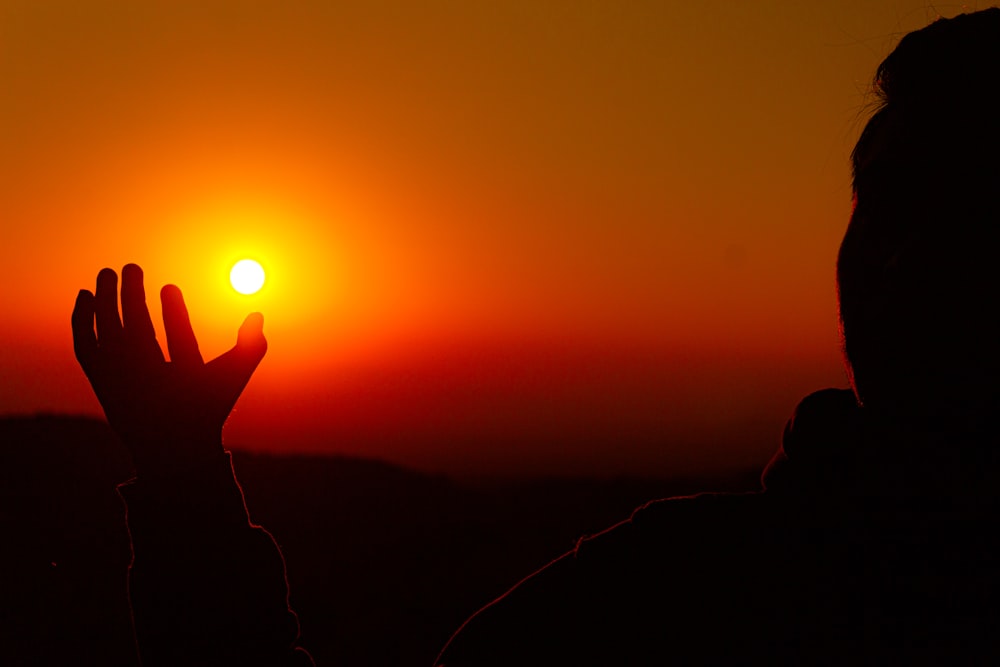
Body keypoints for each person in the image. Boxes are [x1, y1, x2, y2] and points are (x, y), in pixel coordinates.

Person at [72, 8, 1000, 665]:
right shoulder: (663, 592)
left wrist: (184, 484)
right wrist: (184, 474)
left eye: (975, 218)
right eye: (885, 207)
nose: (905, 261)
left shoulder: (691, 597)